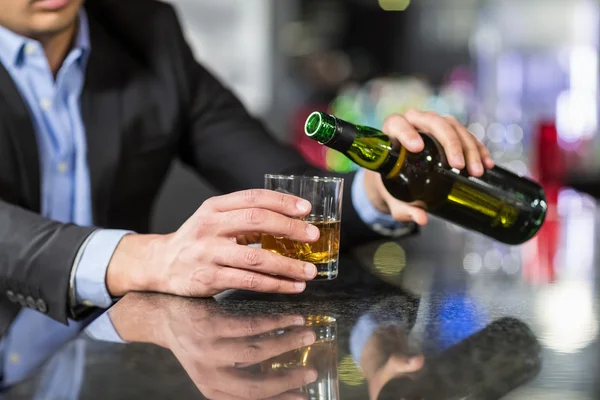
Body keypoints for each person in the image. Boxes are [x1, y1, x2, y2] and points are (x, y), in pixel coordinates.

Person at [0, 0, 494, 335]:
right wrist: (147, 258)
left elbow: (285, 191)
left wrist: (381, 186)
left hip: (105, 367)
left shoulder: (146, 32)